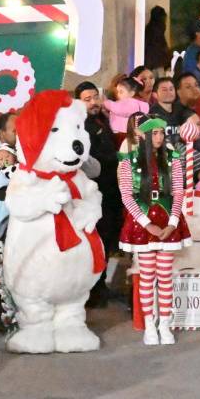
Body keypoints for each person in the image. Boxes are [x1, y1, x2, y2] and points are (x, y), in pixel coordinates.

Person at [118, 117, 191, 345]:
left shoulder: (174, 160)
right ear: (146, 136)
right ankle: (150, 324)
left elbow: (179, 192)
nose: (159, 137)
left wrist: (172, 222)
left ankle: (165, 324)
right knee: (147, 276)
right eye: (155, 133)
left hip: (168, 220)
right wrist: (145, 222)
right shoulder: (128, 161)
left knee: (165, 276)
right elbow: (127, 195)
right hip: (143, 223)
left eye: (162, 133)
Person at [75, 81, 122, 307]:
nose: (94, 102)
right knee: (95, 238)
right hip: (93, 191)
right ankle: (92, 288)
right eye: (87, 99)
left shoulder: (103, 120)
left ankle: (101, 284)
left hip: (112, 189)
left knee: (108, 236)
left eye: (96, 97)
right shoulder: (78, 127)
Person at [144, 5, 171, 72]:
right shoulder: (158, 29)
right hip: (157, 64)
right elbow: (160, 47)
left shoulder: (150, 28)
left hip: (151, 63)